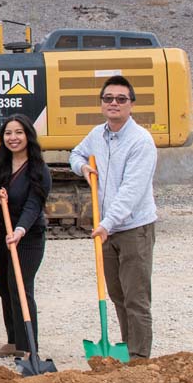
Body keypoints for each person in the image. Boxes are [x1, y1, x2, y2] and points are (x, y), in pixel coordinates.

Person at [69, 75, 157, 360]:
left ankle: (140, 359)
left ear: (131, 104)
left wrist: (105, 224)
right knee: (118, 296)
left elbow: (131, 192)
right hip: (107, 228)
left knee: (136, 298)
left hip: (133, 229)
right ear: (102, 104)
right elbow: (75, 154)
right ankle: (126, 351)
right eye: (109, 98)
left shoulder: (140, 141)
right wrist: (82, 167)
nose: (114, 103)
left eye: (121, 99)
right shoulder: (97, 134)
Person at [0, 114, 52, 357]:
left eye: (19, 132)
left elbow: (34, 205)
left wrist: (20, 231)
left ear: (28, 136)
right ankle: (13, 341)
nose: (13, 138)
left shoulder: (39, 169)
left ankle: (28, 346)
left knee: (20, 285)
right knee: (3, 286)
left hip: (28, 237)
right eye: (8, 133)